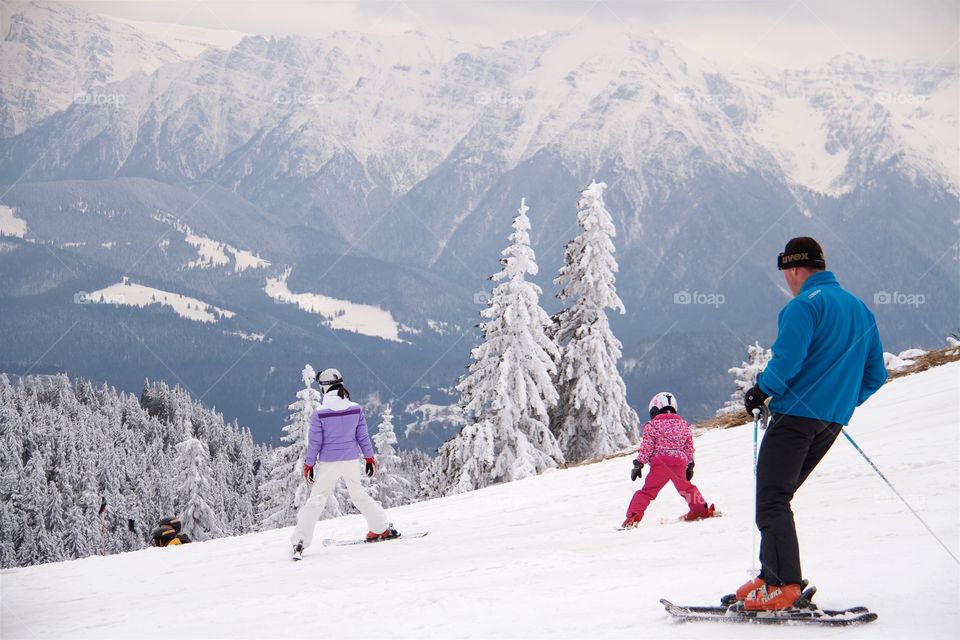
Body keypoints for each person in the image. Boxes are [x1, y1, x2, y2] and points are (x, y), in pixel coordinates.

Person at [736, 237, 887, 611]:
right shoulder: (859, 309)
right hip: (831, 422)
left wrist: (760, 390)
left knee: (771, 498)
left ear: (795, 269)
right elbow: (877, 374)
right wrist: (840, 401)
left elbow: (786, 363)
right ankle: (771, 575)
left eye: (786, 272)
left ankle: (785, 586)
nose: (787, 279)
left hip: (795, 419)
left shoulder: (802, 307)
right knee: (778, 497)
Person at [291, 368, 397, 559]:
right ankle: (380, 528)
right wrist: (369, 457)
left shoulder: (320, 414)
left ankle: (300, 542)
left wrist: (309, 464)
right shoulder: (355, 408)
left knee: (317, 500)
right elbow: (362, 436)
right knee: (358, 495)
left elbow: (315, 443)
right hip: (351, 460)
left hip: (328, 462)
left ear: (324, 388)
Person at [622, 392, 716, 528]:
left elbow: (647, 448)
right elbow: (689, 448)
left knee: (647, 492)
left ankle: (633, 517)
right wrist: (690, 465)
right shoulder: (684, 426)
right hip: (680, 462)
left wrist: (639, 464)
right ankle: (701, 510)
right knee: (687, 488)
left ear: (655, 409)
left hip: (660, 463)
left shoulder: (652, 426)